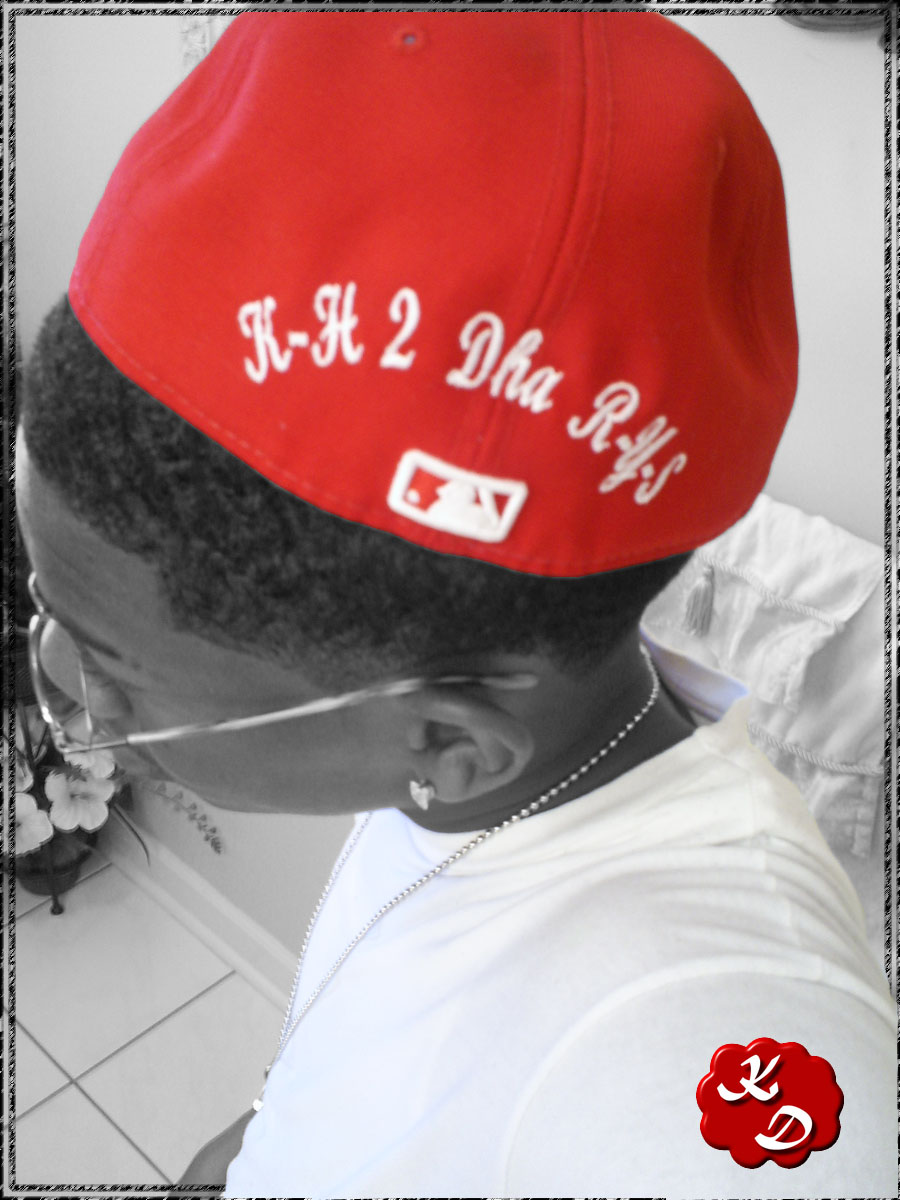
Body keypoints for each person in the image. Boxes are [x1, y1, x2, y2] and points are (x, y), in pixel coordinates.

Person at [15, 11, 895, 1198]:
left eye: (110, 679)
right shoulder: (479, 764)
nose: (74, 702)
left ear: (450, 740)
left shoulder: (701, 1080)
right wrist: (274, 1134)